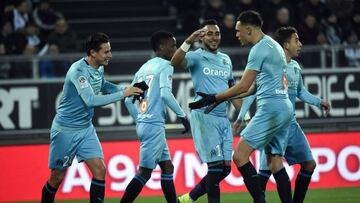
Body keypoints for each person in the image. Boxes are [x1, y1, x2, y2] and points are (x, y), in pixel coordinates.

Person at [188, 10, 294, 203]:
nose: (236, 34)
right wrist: (230, 105)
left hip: (271, 108)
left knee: (240, 156)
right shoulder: (274, 45)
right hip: (284, 108)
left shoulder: (258, 49)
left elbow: (243, 85)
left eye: (238, 31)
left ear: (248, 29)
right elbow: (252, 88)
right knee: (275, 162)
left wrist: (215, 97)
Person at [41, 33, 143, 203]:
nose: (110, 55)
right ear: (93, 53)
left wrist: (128, 88)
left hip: (86, 129)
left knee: (100, 170)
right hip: (65, 131)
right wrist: (123, 94)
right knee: (56, 178)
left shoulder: (99, 67)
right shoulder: (78, 71)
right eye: (106, 52)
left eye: (110, 51)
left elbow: (102, 85)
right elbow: (90, 100)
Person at [234, 26, 331, 203]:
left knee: (309, 164)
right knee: (267, 170)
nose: (300, 44)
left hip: (290, 123)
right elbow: (251, 91)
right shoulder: (269, 64)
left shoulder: (295, 67)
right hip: (273, 123)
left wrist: (319, 101)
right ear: (286, 44)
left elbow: (301, 92)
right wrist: (241, 117)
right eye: (296, 41)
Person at [171, 19, 242, 203]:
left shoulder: (226, 59)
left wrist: (245, 116)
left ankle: (188, 199)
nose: (214, 37)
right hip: (204, 117)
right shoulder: (196, 56)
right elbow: (175, 61)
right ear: (202, 36)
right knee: (215, 168)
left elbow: (232, 90)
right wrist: (189, 40)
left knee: (226, 168)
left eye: (217, 33)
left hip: (222, 119)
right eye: (209, 33)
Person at [121, 30, 190, 203]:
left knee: (167, 167)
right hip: (153, 124)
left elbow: (129, 101)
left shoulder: (144, 68)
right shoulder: (166, 66)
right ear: (162, 46)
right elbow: (166, 94)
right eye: (172, 45)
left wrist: (140, 119)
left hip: (147, 124)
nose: (175, 49)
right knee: (144, 172)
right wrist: (183, 116)